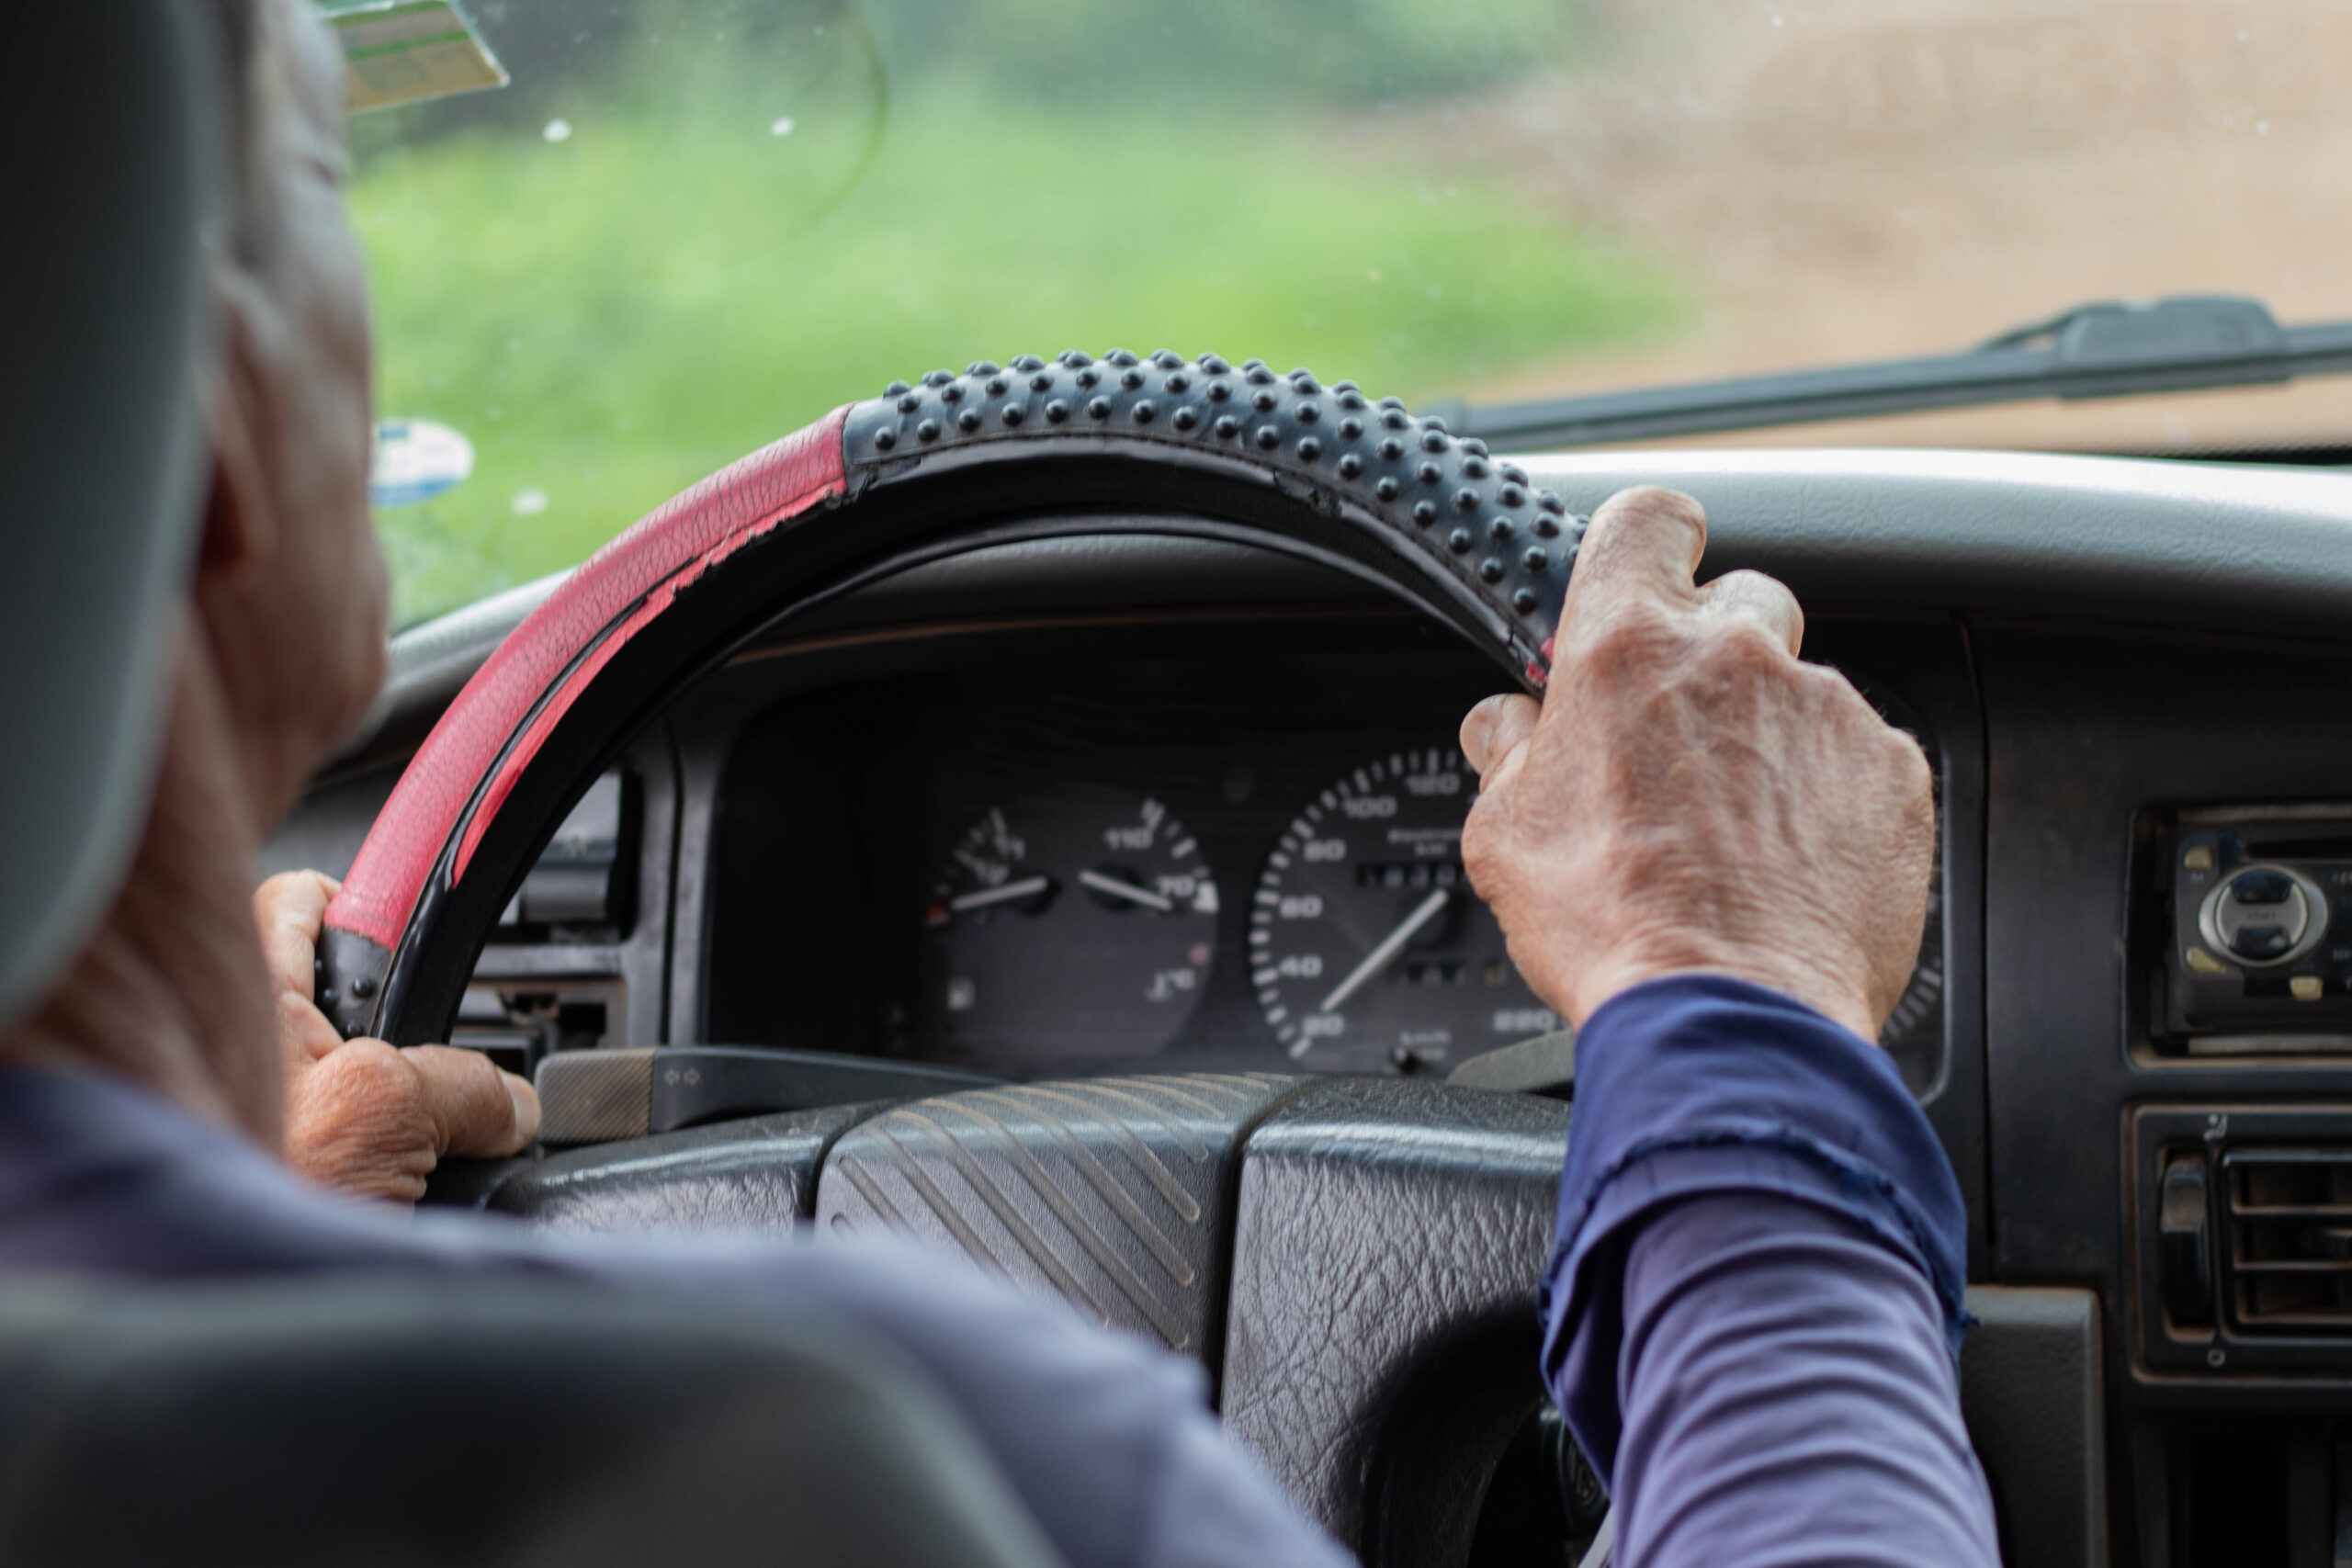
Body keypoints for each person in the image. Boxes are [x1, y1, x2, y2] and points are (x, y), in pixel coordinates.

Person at [0, 0, 1999, 1562]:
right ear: (214, 439)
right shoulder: (817, 1465)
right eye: (328, 170)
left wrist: (207, 1216)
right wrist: (1725, 996)